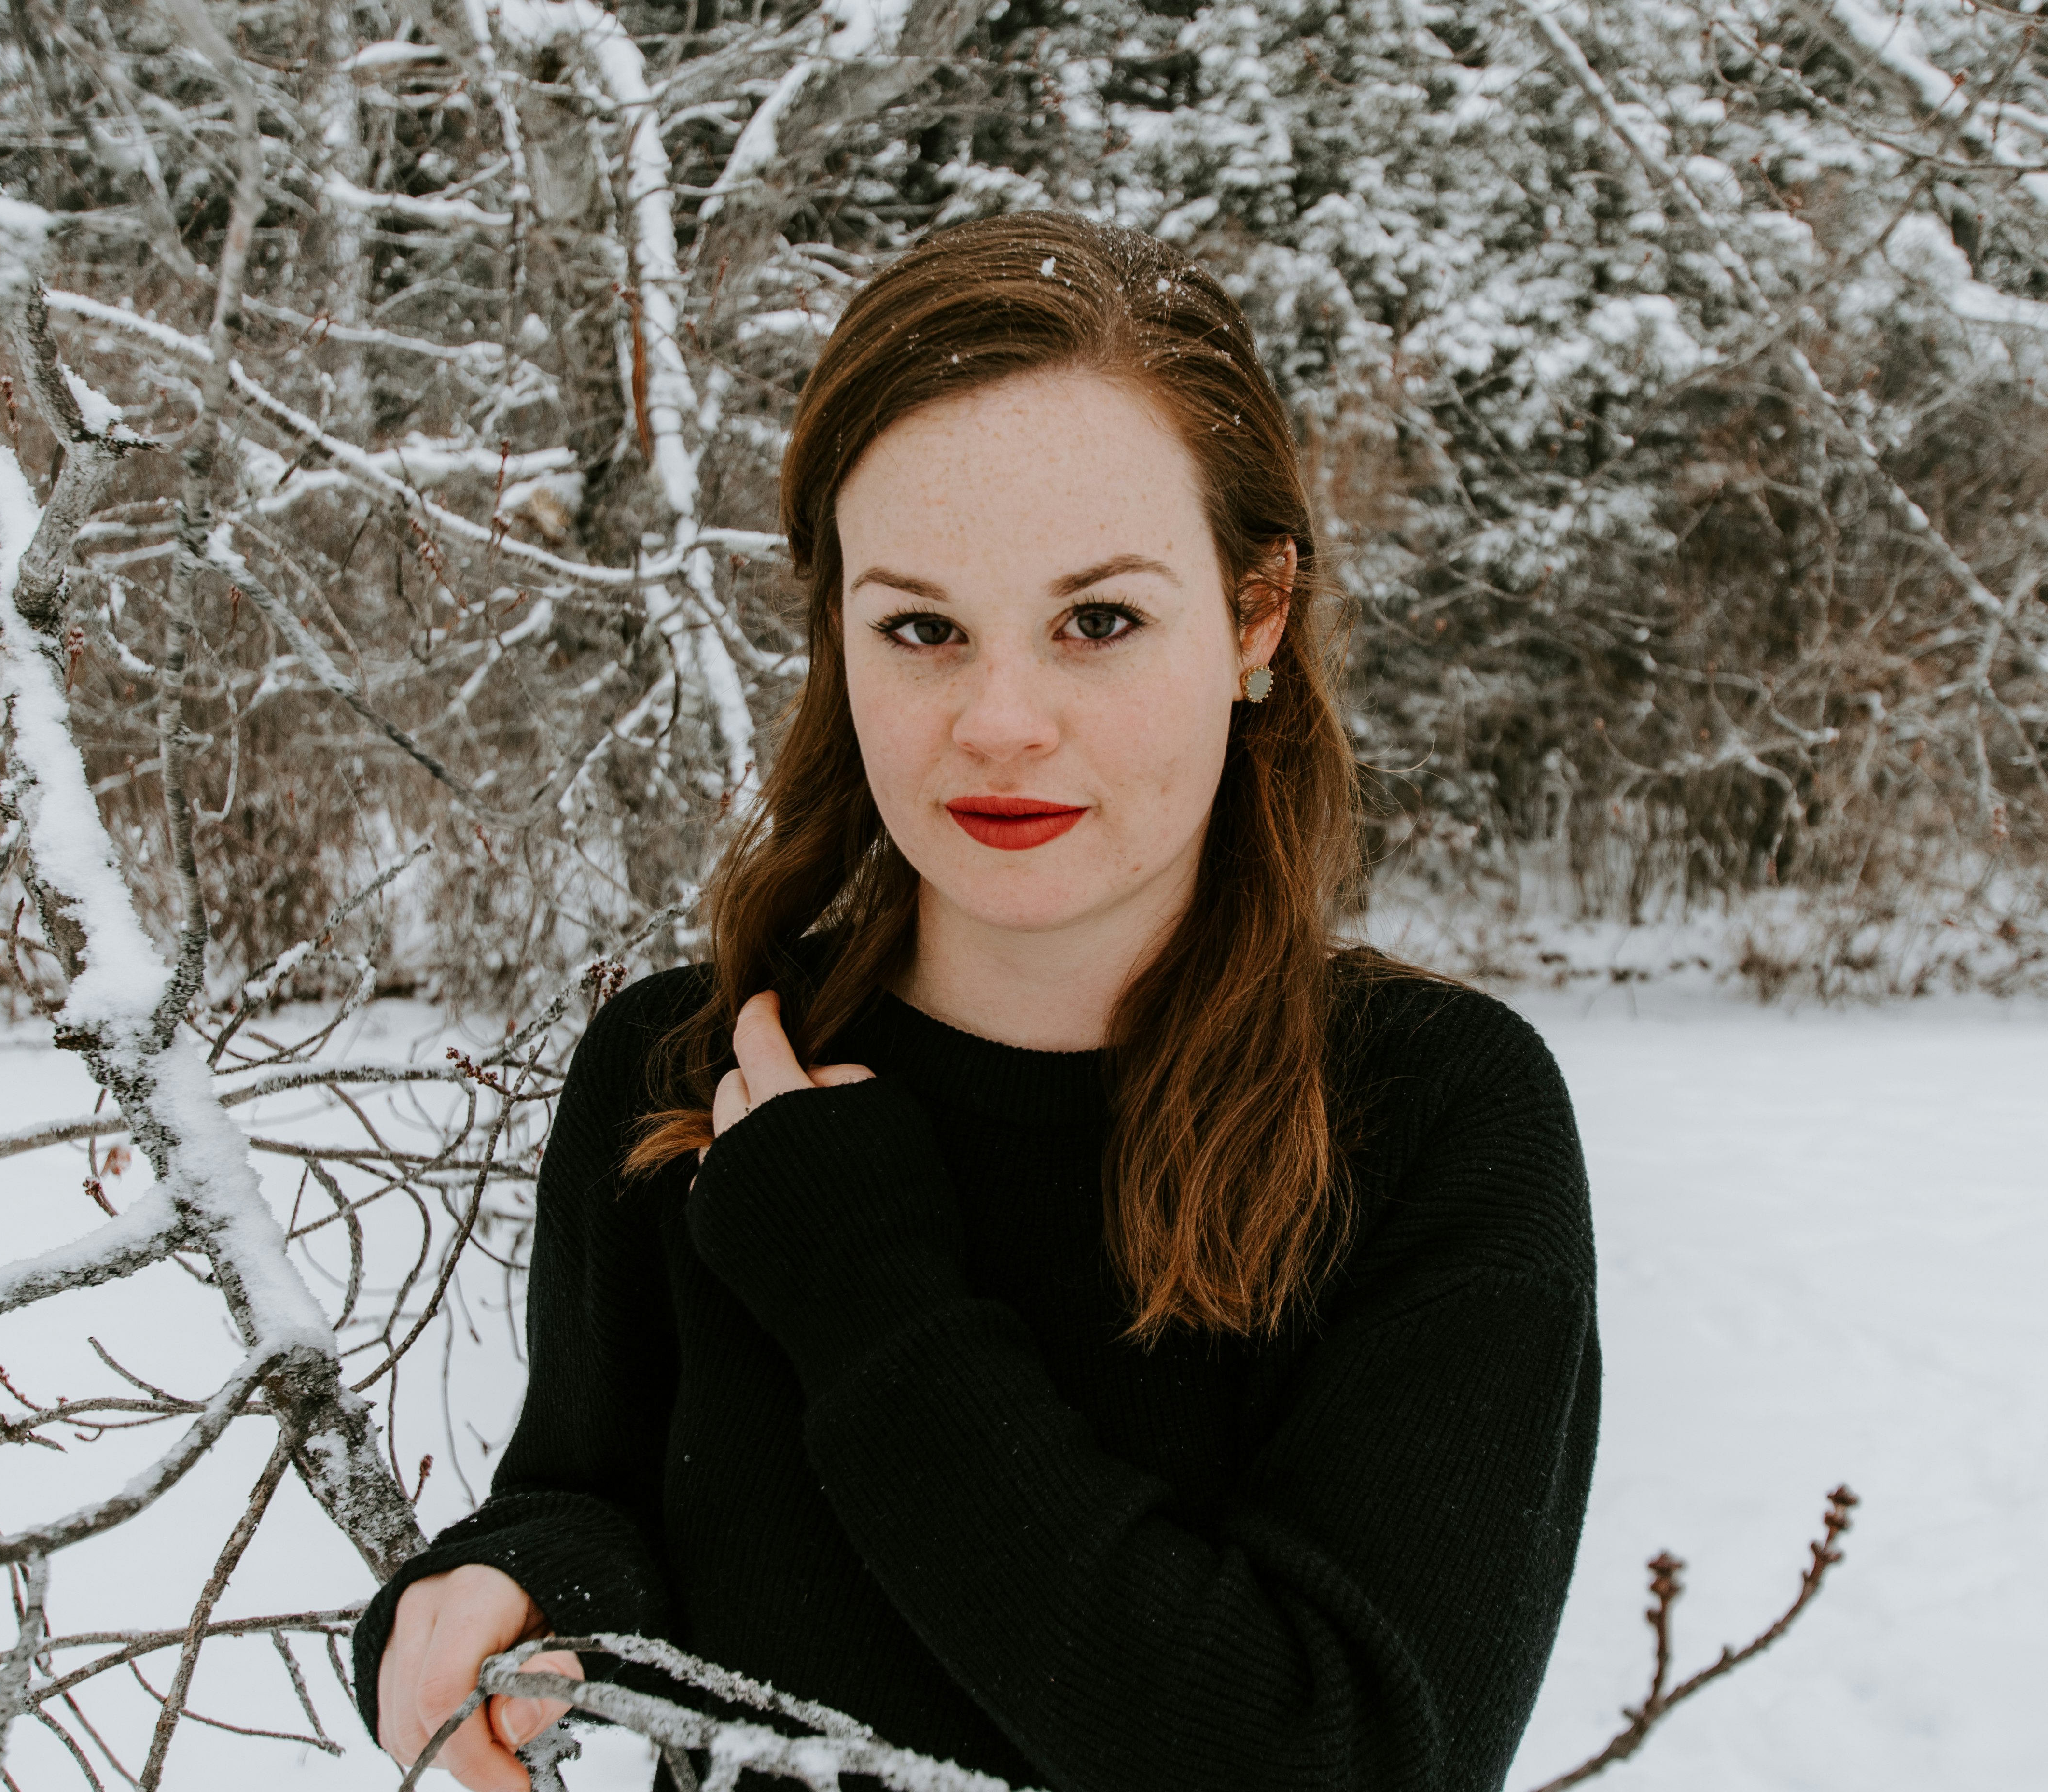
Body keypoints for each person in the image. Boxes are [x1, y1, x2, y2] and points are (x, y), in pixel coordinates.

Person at [355, 210, 1601, 1792]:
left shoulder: (1424, 1117)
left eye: (1100, 621)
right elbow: (603, 1492)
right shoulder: (694, 1070)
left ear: (1257, 612)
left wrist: (870, 1296)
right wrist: (517, 1588)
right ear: (839, 632)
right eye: (923, 628)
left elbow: (1341, 1757)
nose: (1000, 722)